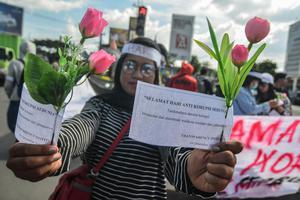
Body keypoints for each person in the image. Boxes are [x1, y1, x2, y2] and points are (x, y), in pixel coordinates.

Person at [6, 37, 243, 199]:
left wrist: (195, 169)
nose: (137, 74)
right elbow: (81, 128)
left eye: (147, 68)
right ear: (119, 68)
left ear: (157, 75)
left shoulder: (163, 116)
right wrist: (54, 147)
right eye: (130, 65)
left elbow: (176, 159)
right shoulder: (100, 106)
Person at [4, 41, 36, 133]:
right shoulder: (35, 66)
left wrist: (10, 95)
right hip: (29, 102)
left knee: (12, 124)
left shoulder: (14, 63)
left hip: (16, 99)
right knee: (26, 126)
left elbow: (7, 85)